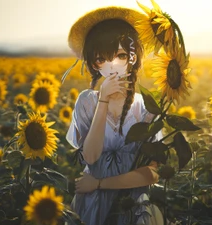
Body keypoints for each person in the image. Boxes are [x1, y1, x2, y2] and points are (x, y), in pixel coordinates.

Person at [63, 5, 164, 225]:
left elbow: (153, 174)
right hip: (92, 207)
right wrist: (103, 101)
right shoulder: (87, 102)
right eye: (101, 59)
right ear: (93, 64)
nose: (111, 66)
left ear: (133, 58)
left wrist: (99, 184)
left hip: (134, 210)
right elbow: (90, 157)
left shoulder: (147, 109)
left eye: (120, 56)